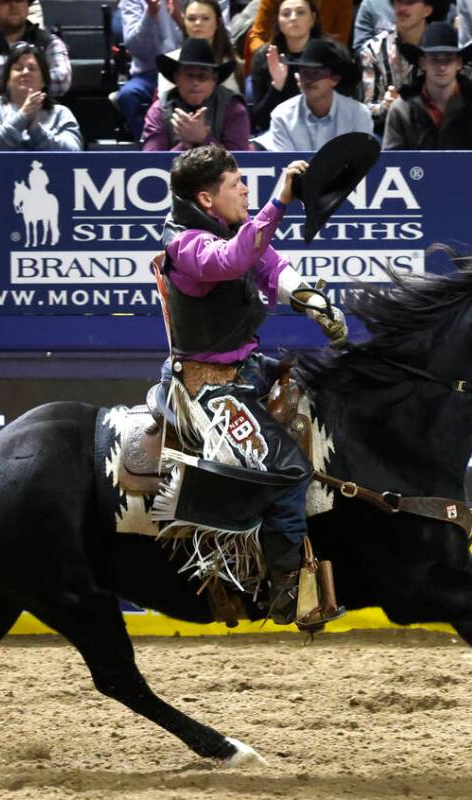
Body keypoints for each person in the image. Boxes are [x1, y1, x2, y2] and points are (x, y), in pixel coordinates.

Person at [159, 144, 347, 625]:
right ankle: (286, 589)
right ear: (206, 200)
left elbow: (272, 266)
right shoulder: (186, 245)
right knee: (288, 468)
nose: (245, 188)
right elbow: (234, 259)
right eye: (235, 183)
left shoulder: (226, 229)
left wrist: (311, 303)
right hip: (206, 386)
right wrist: (281, 199)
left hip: (245, 368)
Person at [119, 0, 232, 141]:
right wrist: (151, 13)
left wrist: (181, 22)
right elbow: (136, 48)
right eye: (192, 19)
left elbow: (225, 39)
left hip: (207, 68)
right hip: (150, 72)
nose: (197, 22)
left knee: (231, 101)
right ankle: (149, 147)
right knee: (129, 94)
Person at [382, 21, 472, 149]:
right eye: (434, 59)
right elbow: (391, 163)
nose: (441, 67)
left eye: (448, 59)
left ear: (459, 63)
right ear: (422, 63)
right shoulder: (401, 110)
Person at [0, 0, 71, 123]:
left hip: (41, 125)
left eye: (19, 0)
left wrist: (7, 75)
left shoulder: (50, 41)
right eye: (5, 1)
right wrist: (36, 68)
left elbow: (62, 80)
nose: (13, 6)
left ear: (27, 5)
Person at [258, 38, 371, 150]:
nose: (308, 80)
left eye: (316, 73)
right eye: (304, 73)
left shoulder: (359, 114)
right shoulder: (282, 116)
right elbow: (284, 164)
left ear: (334, 79)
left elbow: (361, 160)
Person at [0, 40, 83, 150]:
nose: (25, 72)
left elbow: (74, 153)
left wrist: (36, 131)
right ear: (7, 79)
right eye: (18, 68)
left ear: (44, 80)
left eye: (32, 68)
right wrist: (23, 116)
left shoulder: (60, 113)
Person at [141, 37, 251, 151]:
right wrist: (186, 144)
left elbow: (239, 163)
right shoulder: (159, 110)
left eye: (202, 76)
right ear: (176, 77)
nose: (195, 83)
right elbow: (152, 164)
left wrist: (203, 139)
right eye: (189, 75)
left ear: (214, 79)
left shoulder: (233, 108)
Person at [360, 0, 447, 133]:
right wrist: (386, 106)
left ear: (427, 10)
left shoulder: (445, 46)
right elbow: (368, 109)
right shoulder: (374, 50)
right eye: (397, 2)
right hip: (391, 132)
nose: (401, 8)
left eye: (409, 2)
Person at [249, 0, 323, 133]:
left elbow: (338, 110)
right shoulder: (264, 58)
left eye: (300, 12)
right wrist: (277, 85)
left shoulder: (330, 56)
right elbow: (260, 121)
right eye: (286, 14)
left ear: (312, 18)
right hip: (276, 135)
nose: (293, 18)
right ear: (278, 21)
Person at [158, 0, 243, 96]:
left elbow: (232, 105)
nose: (198, 23)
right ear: (184, 22)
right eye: (191, 19)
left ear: (218, 22)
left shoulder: (229, 63)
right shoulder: (170, 62)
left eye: (205, 18)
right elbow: (165, 105)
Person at [244, 0, 350, 71]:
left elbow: (340, 41)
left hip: (320, 66)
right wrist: (271, 60)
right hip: (277, 61)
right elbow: (256, 36)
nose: (294, 18)